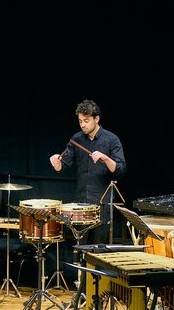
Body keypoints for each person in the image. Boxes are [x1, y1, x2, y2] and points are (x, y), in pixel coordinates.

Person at [49, 99, 127, 244]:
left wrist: (106, 158)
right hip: (81, 204)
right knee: (80, 248)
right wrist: (56, 162)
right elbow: (62, 166)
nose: (82, 125)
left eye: (86, 120)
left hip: (102, 204)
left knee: (98, 249)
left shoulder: (111, 139)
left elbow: (120, 170)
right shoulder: (77, 139)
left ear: (96, 119)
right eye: (80, 121)